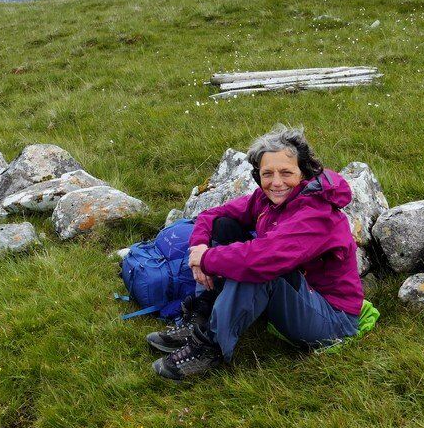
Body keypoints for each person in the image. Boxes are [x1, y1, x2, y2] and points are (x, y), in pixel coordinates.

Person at [149, 125, 363, 381]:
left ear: (303, 172)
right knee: (224, 227)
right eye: (267, 173)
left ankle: (209, 347)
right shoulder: (266, 199)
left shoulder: (316, 213)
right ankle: (203, 317)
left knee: (259, 269)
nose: (276, 182)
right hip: (302, 293)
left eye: (286, 173)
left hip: (333, 320)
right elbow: (211, 216)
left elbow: (262, 260)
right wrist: (199, 250)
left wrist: (207, 260)